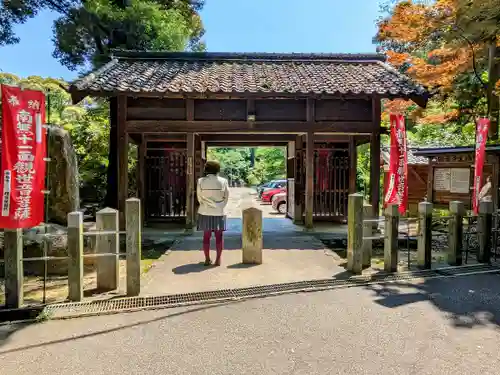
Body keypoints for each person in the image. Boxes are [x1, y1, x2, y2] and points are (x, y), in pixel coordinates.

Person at [196, 160, 230, 266]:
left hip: (205, 211)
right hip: (219, 213)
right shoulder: (223, 181)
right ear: (217, 169)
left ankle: (207, 259)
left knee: (206, 237)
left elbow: (199, 197)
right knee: (219, 237)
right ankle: (218, 260)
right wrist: (220, 206)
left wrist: (205, 205)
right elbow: (226, 197)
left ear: (206, 169)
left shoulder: (200, 181)